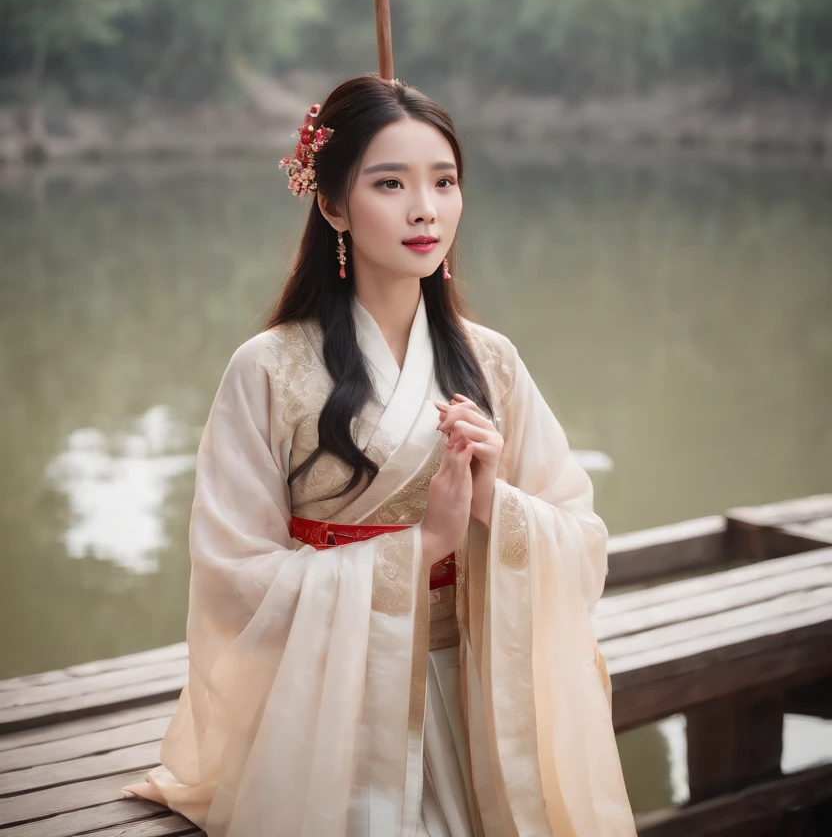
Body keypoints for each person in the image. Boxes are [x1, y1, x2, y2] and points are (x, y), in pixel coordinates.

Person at [122, 74, 637, 836]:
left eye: (445, 181)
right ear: (331, 204)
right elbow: (233, 580)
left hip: (478, 697)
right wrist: (420, 547)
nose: (425, 207)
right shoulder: (267, 370)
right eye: (389, 182)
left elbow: (584, 542)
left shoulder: (492, 362)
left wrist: (496, 502)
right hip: (329, 702)